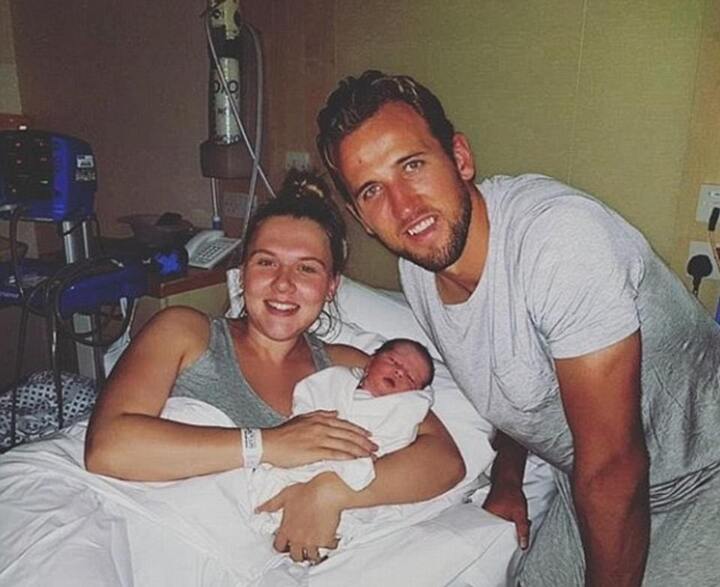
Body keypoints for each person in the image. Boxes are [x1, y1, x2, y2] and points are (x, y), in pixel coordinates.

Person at [316, 69, 720, 586]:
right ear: (361, 218)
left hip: (701, 484)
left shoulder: (560, 243)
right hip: (586, 487)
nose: (405, 206)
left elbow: (614, 469)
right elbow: (511, 371)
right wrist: (507, 476)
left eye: (412, 165)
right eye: (373, 191)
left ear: (460, 158)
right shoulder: (418, 271)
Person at [84, 168, 465, 566]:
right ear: (242, 274)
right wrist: (269, 444)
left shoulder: (348, 367)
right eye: (266, 262)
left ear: (331, 286)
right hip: (143, 537)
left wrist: (330, 493)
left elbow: (445, 460)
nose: (283, 284)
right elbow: (107, 448)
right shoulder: (184, 332)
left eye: (307, 268)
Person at [250, 337, 436, 541]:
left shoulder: (400, 414)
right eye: (393, 361)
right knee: (271, 480)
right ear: (371, 361)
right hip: (305, 452)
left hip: (348, 478)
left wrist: (362, 462)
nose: (399, 372)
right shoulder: (335, 380)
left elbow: (392, 446)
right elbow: (305, 403)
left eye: (410, 378)